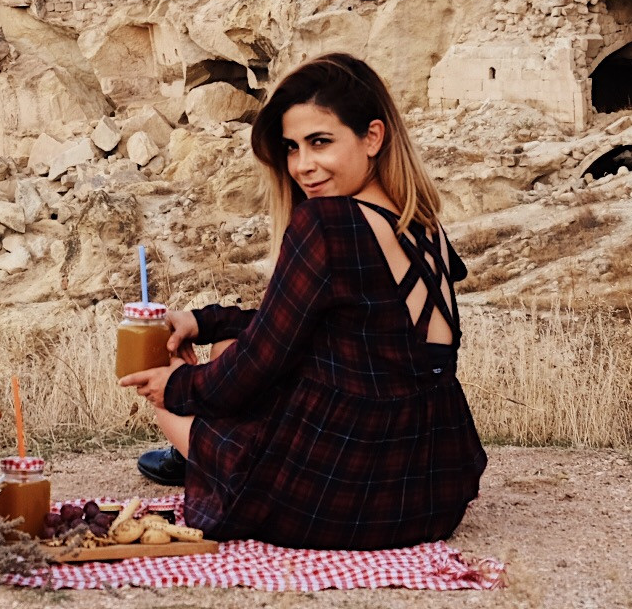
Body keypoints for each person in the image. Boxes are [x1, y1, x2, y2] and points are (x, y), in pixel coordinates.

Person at [119, 53, 487, 550]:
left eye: (320, 142)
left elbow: (259, 361)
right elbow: (311, 325)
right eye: (292, 148)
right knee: (227, 347)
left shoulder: (330, 222)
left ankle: (200, 454)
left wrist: (177, 388)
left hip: (349, 493)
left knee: (203, 383)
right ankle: (199, 448)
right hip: (435, 487)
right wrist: (202, 321)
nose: (302, 166)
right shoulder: (422, 225)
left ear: (372, 137)